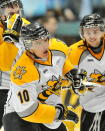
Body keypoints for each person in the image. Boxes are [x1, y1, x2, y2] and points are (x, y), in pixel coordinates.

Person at [3, 22, 87, 131]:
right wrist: (60, 113)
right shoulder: (22, 72)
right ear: (27, 45)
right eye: (38, 43)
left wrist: (73, 73)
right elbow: (28, 111)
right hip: (20, 115)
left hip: (48, 110)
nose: (45, 46)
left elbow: (62, 63)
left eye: (46, 40)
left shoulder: (58, 47)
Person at [68, 13, 105, 131]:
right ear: (82, 33)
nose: (91, 36)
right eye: (87, 32)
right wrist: (72, 80)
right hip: (91, 104)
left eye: (95, 31)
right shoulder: (74, 51)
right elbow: (62, 72)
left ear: (102, 31)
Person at [0, 0, 30, 129]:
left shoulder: (29, 27)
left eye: (15, 4)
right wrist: (9, 40)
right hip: (3, 88)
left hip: (25, 87)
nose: (13, 8)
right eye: (8, 5)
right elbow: (4, 64)